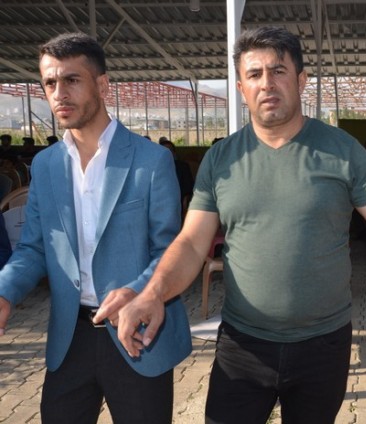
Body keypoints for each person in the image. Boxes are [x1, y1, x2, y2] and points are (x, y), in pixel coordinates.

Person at [98, 26, 366, 424]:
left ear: (301, 79)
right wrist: (153, 293)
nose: (266, 83)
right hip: (242, 345)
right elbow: (191, 243)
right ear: (241, 88)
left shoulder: (342, 150)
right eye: (254, 74)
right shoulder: (222, 159)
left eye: (278, 71)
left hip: (323, 344)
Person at [0, 32, 191, 423]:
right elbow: (34, 248)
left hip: (138, 335)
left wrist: (137, 291)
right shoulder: (46, 165)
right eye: (50, 82)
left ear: (102, 85)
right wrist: (4, 293)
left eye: (72, 79)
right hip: (70, 338)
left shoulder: (150, 160)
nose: (59, 93)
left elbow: (171, 250)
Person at [159, 138, 195, 218]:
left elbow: (188, 188)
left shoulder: (182, 167)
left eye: (170, 151)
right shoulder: (153, 169)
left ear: (174, 153)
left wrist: (184, 206)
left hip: (177, 204)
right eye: (164, 151)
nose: (167, 154)